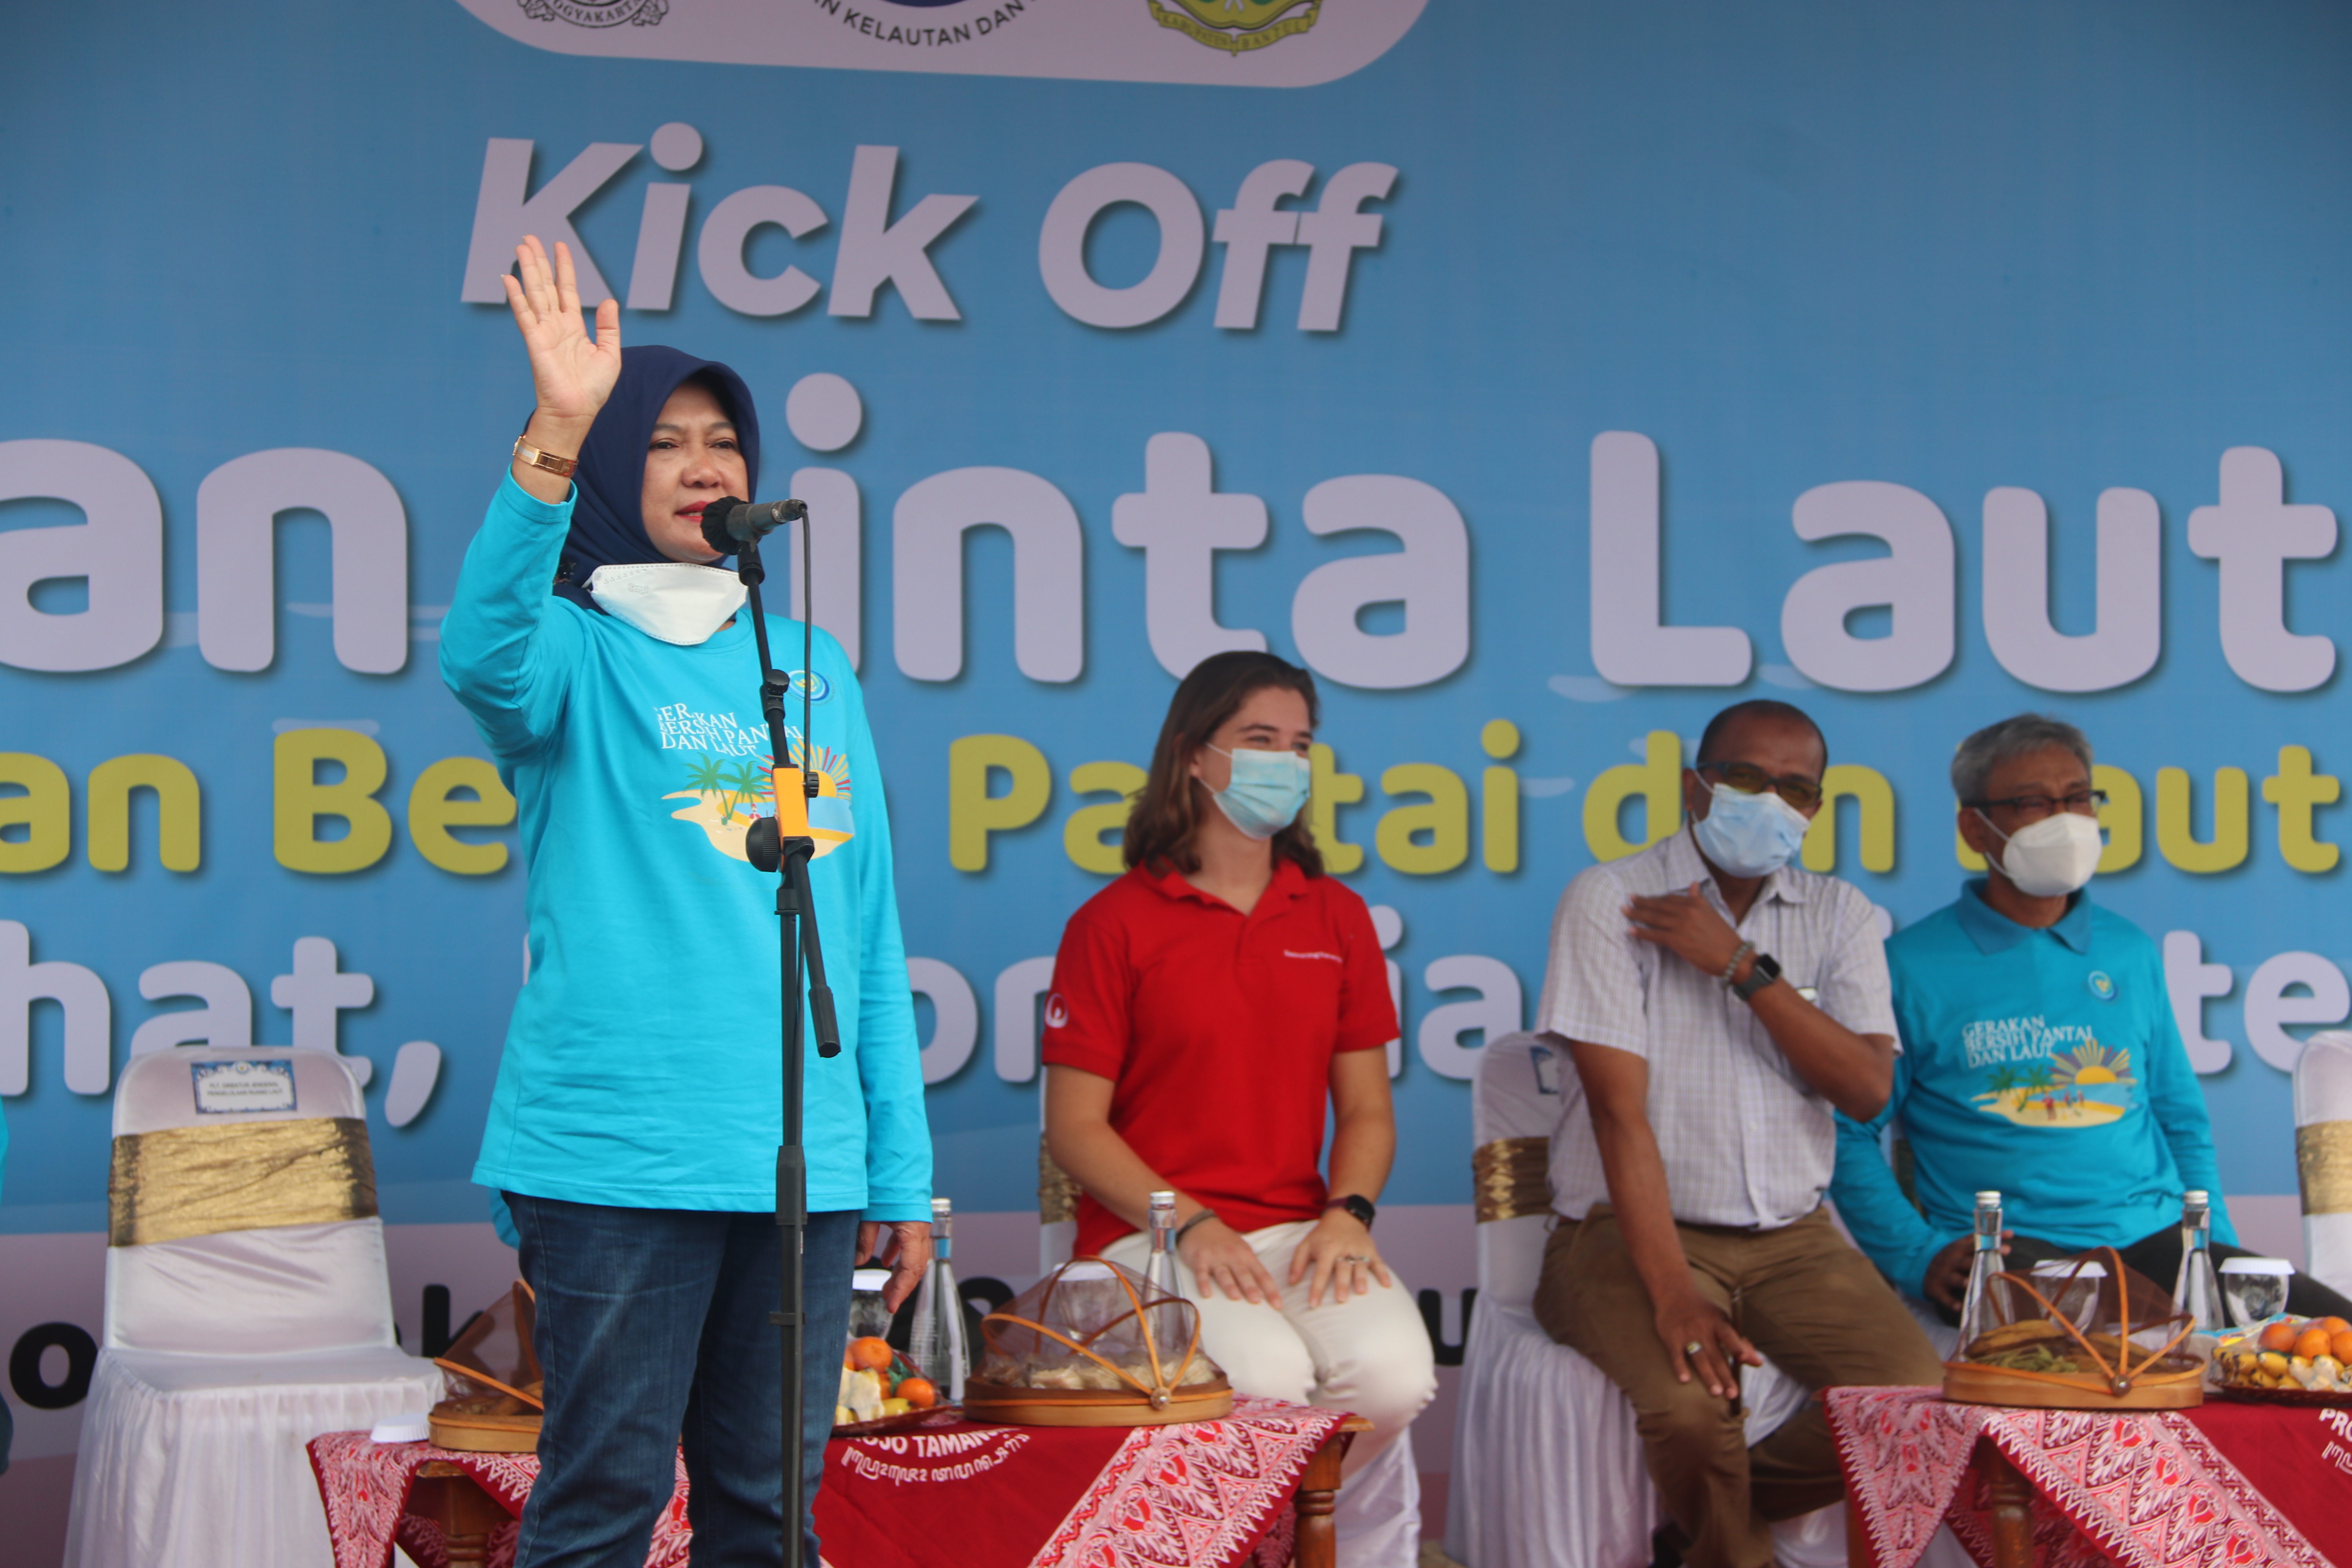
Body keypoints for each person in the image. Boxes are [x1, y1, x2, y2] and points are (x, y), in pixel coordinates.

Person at [440, 236, 933, 1568]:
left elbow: (865, 928)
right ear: (612, 473)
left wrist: (903, 1173)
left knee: (772, 1519)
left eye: (724, 440)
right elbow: (474, 650)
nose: (708, 463)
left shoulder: (809, 663)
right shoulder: (571, 653)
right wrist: (556, 426)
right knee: (599, 1504)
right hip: (618, 1158)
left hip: (805, 1165)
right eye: (662, 441)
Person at [1040, 650, 1437, 1568]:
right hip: (1149, 1240)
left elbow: (1368, 1112)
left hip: (1298, 1231)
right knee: (1266, 1377)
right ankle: (1244, 1547)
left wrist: (1352, 1215)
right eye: (1259, 740)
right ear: (1192, 755)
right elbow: (1074, 1128)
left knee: (1394, 1378)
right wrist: (1190, 1223)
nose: (1284, 764)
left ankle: (1308, 1543)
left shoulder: (1335, 915)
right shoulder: (1114, 923)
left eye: (1300, 744)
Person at [1532, 699, 1945, 1568]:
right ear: (1697, 785)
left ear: (1816, 810)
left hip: (1792, 1241)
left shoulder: (1839, 914)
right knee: (1690, 1411)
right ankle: (1730, 1547)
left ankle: (1705, 1524)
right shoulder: (1611, 897)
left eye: (1796, 788)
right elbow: (1619, 1114)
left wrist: (1740, 966)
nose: (1771, 801)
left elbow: (1868, 1089)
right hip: (1623, 1231)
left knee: (1918, 1397)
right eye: (1746, 777)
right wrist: (1675, 1292)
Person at [1831, 713, 2352, 1321]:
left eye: (2079, 798)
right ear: (1975, 828)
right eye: (2033, 803)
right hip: (2011, 1247)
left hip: (2156, 1239)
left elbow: (2179, 1118)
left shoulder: (2127, 951)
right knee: (2144, 1338)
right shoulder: (1908, 967)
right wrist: (1916, 1256)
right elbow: (1849, 1131)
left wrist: (2219, 1257)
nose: (2065, 819)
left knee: (2330, 1338)